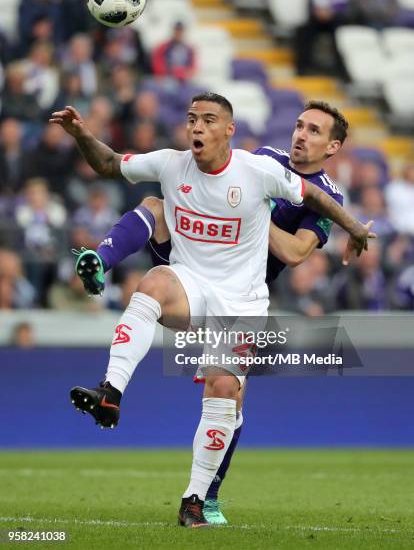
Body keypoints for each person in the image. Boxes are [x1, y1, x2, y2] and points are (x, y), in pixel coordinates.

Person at [50, 95, 373, 528]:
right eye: (299, 125)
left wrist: (253, 211)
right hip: (194, 268)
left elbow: (297, 253)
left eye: (314, 131)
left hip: (243, 295)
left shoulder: (314, 192)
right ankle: (109, 375)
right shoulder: (263, 159)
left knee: (227, 395)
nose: (300, 134)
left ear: (333, 147)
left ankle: (201, 498)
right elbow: (116, 166)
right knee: (155, 216)